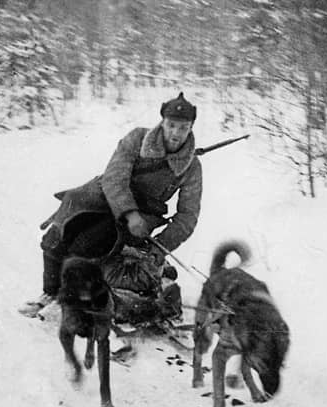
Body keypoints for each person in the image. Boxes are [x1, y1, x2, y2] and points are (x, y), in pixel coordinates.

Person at [19, 92, 203, 318]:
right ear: (162, 122)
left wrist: (160, 246)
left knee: (87, 245)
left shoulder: (192, 167)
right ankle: (49, 292)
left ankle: (73, 295)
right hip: (101, 197)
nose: (175, 133)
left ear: (191, 128)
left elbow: (188, 216)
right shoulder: (137, 139)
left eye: (183, 128)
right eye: (171, 125)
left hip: (140, 216)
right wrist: (130, 213)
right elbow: (115, 177)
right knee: (56, 237)